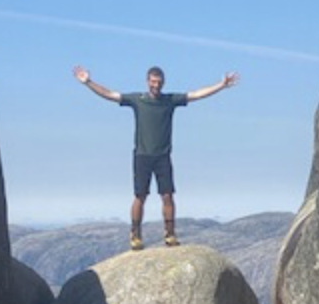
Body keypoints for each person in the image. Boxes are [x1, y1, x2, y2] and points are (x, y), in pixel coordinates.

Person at [72, 64, 239, 250]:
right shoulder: (138, 100)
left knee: (167, 196)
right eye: (153, 82)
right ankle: (135, 235)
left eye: (159, 82)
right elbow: (110, 94)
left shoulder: (170, 100)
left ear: (163, 83)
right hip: (142, 155)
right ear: (147, 81)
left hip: (163, 156)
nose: (156, 85)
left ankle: (170, 234)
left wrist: (221, 85)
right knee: (140, 196)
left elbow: (196, 94)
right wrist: (88, 82)